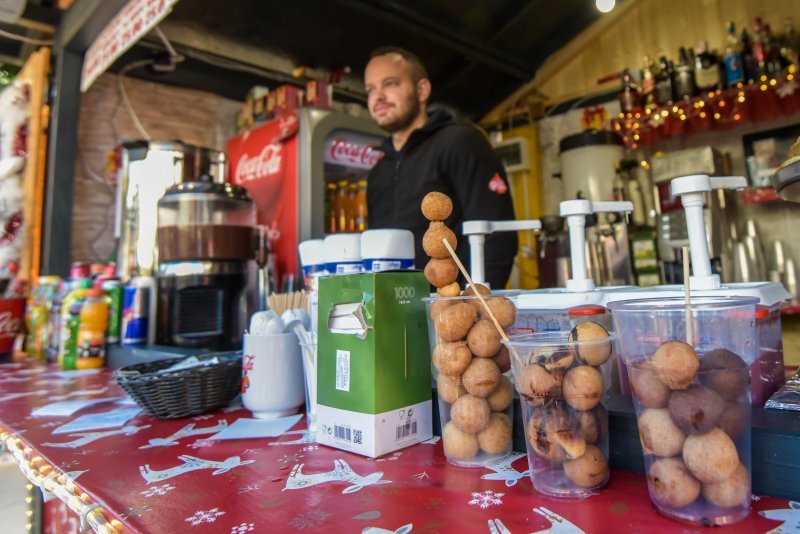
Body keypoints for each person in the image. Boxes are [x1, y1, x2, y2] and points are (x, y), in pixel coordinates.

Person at [364, 46, 518, 289]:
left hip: (451, 310)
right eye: (371, 89)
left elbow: (497, 234)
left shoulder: (460, 143)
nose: (378, 96)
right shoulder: (377, 173)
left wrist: (474, 307)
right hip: (392, 312)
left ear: (422, 89)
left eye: (390, 83)